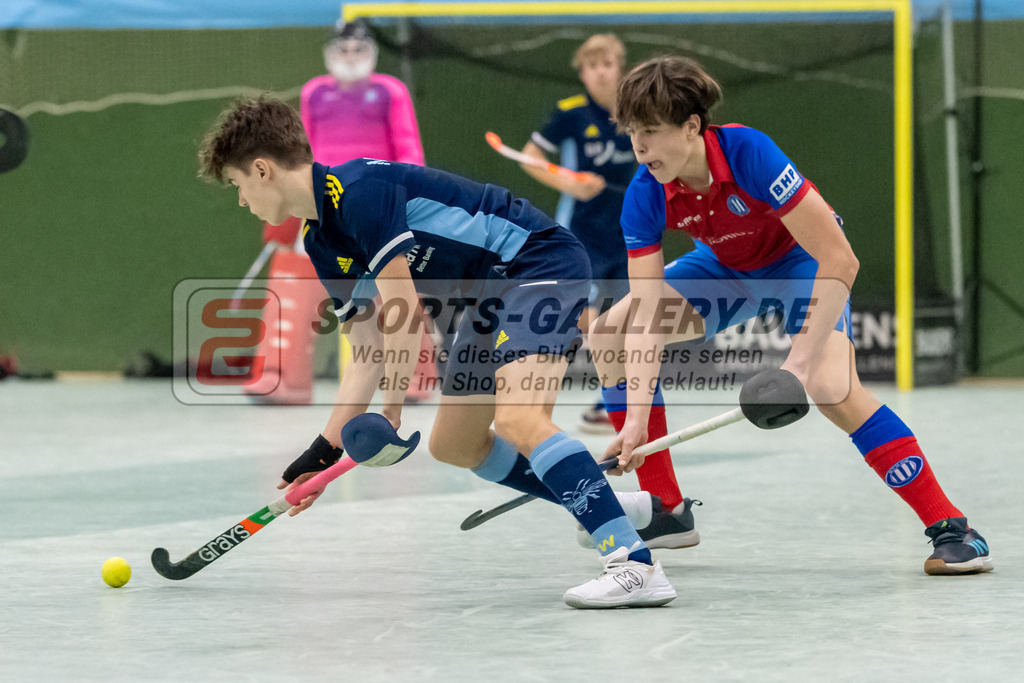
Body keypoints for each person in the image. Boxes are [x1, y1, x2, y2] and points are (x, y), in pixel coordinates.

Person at [198, 96, 678, 608]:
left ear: (262, 169)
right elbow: (367, 353)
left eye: (237, 185)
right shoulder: (321, 241)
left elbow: (403, 313)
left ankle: (633, 561)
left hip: (536, 262)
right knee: (455, 443)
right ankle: (609, 504)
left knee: (519, 420)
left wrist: (390, 413)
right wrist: (325, 451)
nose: (243, 201)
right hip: (487, 296)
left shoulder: (360, 192)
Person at [588, 56, 992, 576]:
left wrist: (796, 368)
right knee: (609, 333)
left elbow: (840, 259)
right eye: (632, 133)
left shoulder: (749, 152)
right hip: (726, 268)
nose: (639, 147)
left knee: (831, 386)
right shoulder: (645, 193)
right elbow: (645, 318)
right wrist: (637, 422)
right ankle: (666, 509)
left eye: (650, 132)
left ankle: (953, 528)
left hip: (801, 262)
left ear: (691, 127)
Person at [246, 18, 436, 405]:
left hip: (379, 200)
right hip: (321, 202)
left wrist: (411, 196)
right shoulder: (315, 92)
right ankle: (281, 376)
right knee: (297, 276)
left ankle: (416, 376)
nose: (351, 56)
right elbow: (301, 151)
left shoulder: (390, 90)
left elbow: (408, 145)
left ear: (372, 52)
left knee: (394, 280)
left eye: (359, 49)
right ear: (330, 54)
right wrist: (287, 203)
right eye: (343, 49)